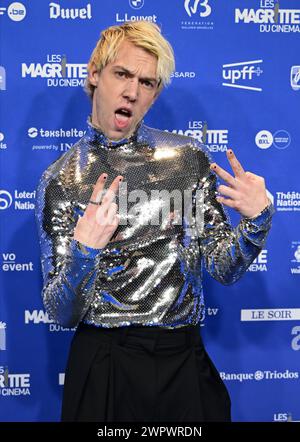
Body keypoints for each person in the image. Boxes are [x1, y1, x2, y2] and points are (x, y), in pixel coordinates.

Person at [35, 21, 274, 422]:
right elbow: (61, 313)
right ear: (95, 74)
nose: (132, 91)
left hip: (182, 360)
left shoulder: (187, 159)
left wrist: (256, 220)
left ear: (155, 93)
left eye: (147, 83)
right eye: (123, 74)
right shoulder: (60, 180)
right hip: (104, 365)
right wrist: (84, 251)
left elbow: (222, 266)